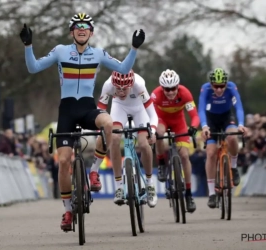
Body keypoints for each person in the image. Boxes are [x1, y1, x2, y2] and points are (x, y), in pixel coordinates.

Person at [19, 13, 145, 231]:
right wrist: (28, 45)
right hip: (67, 111)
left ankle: (94, 171)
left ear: (91, 32)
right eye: (77, 26)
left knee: (109, 124)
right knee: (65, 161)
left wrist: (133, 48)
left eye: (86, 26)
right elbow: (33, 67)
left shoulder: (98, 53)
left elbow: (123, 69)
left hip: (87, 107)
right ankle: (68, 210)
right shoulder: (60, 51)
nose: (82, 29)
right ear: (72, 31)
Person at [96, 70, 158, 207]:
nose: (122, 92)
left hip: (139, 110)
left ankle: (149, 184)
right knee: (115, 139)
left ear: (131, 84)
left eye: (125, 88)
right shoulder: (108, 86)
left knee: (143, 144)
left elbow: (153, 115)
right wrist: (98, 132)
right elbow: (99, 111)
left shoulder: (139, 85)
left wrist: (152, 131)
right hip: (119, 108)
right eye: (118, 88)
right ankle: (119, 186)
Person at [198, 68, 248, 209]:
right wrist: (205, 126)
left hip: (227, 117)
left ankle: (233, 167)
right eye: (216, 86)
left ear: (226, 84)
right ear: (211, 84)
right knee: (211, 153)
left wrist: (241, 125)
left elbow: (238, 107)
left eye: (222, 86)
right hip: (210, 120)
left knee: (232, 138)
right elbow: (201, 109)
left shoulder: (231, 87)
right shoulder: (205, 89)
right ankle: (212, 193)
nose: (219, 89)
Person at [151, 69, 199, 213]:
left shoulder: (185, 93)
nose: (170, 92)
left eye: (173, 88)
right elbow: (149, 114)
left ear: (177, 86)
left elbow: (194, 115)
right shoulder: (156, 95)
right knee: (159, 133)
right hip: (161, 119)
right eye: (167, 89)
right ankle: (161, 163)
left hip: (179, 122)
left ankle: (189, 194)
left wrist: (194, 127)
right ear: (162, 88)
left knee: (184, 155)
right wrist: (152, 129)